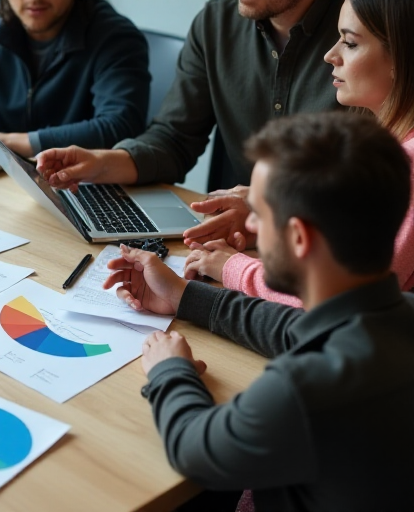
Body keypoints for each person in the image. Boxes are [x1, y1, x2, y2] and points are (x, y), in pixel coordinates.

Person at [103, 112, 414, 509]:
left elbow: (193, 450)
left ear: (299, 238)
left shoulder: (302, 390)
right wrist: (185, 296)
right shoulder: (396, 314)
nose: (249, 223)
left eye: (259, 213)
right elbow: (293, 326)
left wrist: (169, 370)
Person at [35, 0, 344, 244]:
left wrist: (272, 204)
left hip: (329, 248)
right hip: (228, 243)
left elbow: (376, 185)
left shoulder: (364, 33)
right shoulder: (216, 22)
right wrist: (102, 163)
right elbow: (174, 138)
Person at [184, 0, 414, 301]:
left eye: (350, 43)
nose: (330, 55)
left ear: (399, 57)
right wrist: (276, 237)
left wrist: (233, 268)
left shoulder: (406, 163)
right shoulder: (386, 145)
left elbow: (347, 298)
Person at [0, 0, 150, 158]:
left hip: (85, 188)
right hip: (6, 177)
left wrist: (14, 142)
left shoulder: (116, 37)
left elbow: (120, 126)